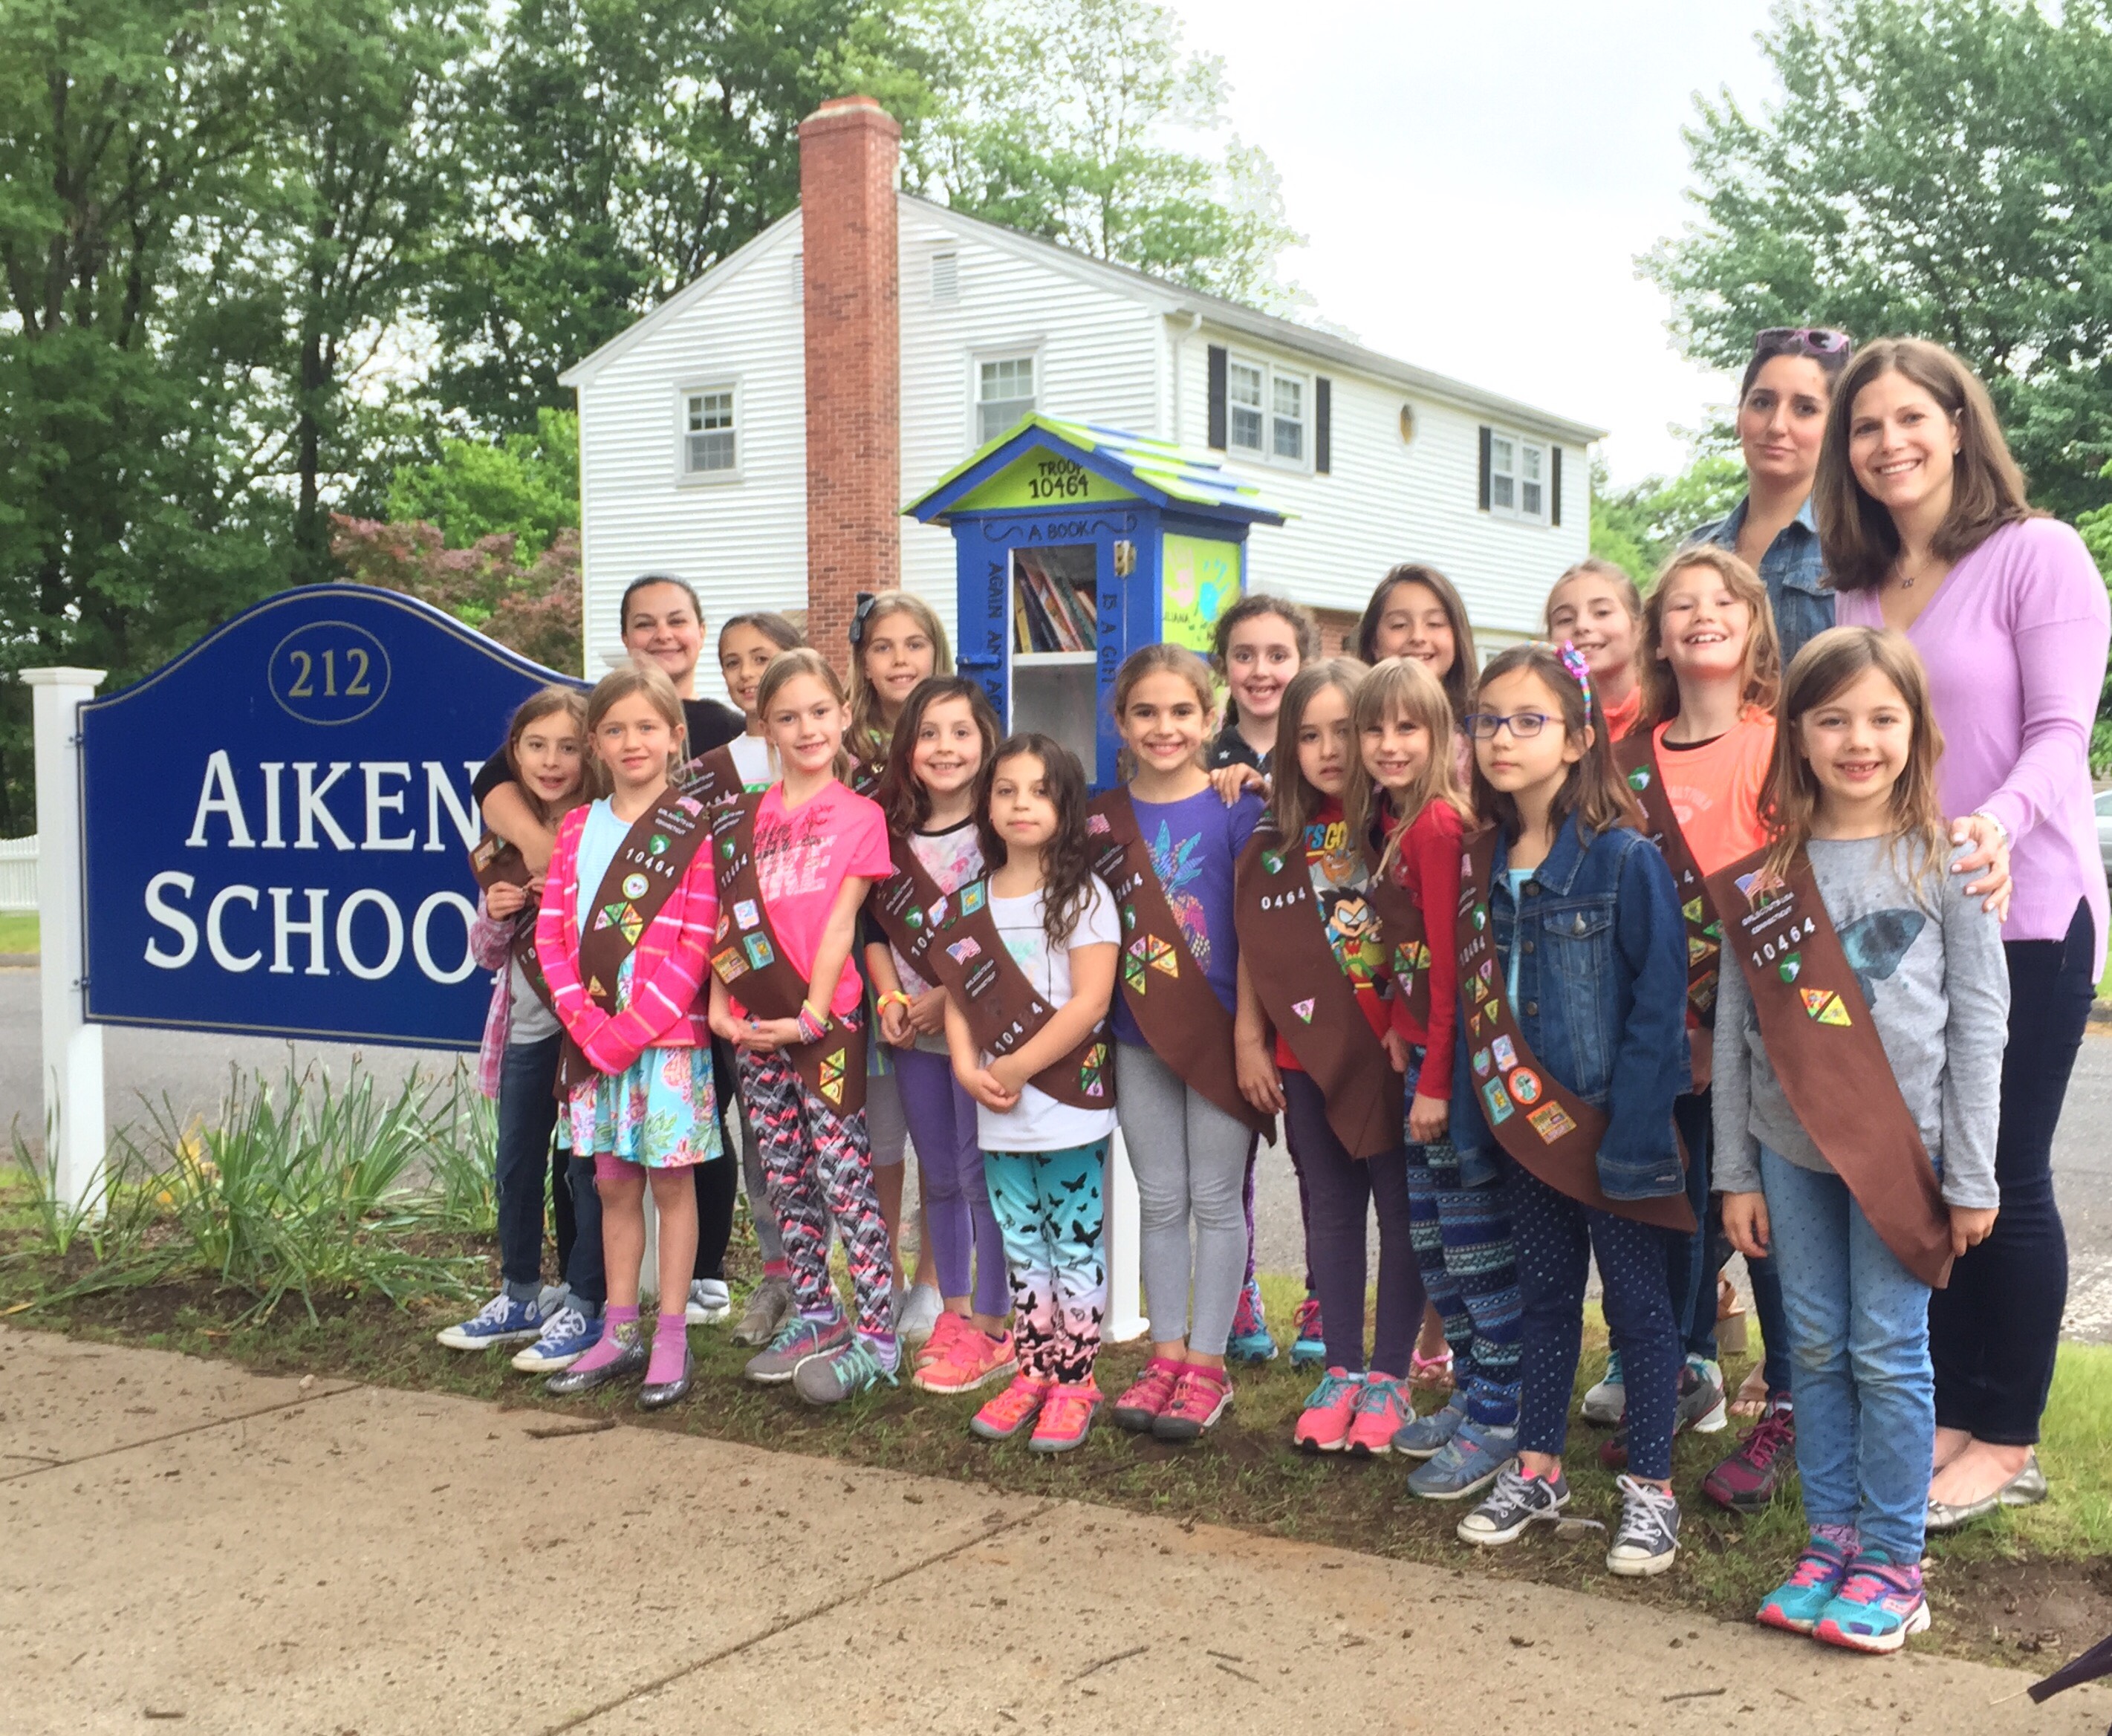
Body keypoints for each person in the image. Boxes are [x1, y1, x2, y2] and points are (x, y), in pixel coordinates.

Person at [1816, 337, 2102, 1524]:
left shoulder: (2036, 555)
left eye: (1906, 419)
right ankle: (1954, 1406)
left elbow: (2058, 731)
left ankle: (2008, 1433)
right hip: (1904, 927)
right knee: (1931, 1171)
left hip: (2021, 905)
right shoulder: (1856, 587)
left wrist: (1992, 823)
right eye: (1863, 428)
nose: (1886, 443)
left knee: (2009, 1169)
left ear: (1955, 423)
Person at [1717, 626, 2006, 1651]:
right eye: (1831, 718)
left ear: (1915, 733)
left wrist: (1970, 1175)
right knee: (1817, 1349)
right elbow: (1735, 1036)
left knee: (1886, 1352)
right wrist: (1733, 1170)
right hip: (1789, 1157)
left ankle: (1891, 1560)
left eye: (1880, 718)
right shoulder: (1762, 878)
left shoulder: (1946, 863)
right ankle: (1826, 1541)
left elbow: (1978, 1026)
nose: (1856, 739)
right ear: (1794, 735)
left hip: (1902, 1161)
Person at [1449, 643, 1692, 1579]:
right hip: (1523, 1132)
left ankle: (1650, 1491)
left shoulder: (1623, 863)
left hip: (1607, 1129)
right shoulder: (1482, 861)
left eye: (1527, 721)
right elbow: (1478, 1005)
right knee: (1543, 1298)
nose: (1502, 739)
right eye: (1487, 721)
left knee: (1637, 1309)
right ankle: (1538, 1466)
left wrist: (1632, 1138)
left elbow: (1655, 1011)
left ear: (1578, 739)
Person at [475, 572, 745, 1333]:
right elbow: (496, 775)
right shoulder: (590, 753)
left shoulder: (723, 726)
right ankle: (596, 1301)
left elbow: (700, 927)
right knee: (598, 1167)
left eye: (677, 621)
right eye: (645, 623)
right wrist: (590, 1023)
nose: (662, 635)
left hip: (673, 1020)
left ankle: (693, 1284)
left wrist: (627, 1029)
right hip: (586, 1021)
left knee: (688, 1153)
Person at [1598, 545, 1790, 1487]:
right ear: (1657, 637)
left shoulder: (1780, 743)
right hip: (1655, 1040)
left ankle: (1789, 1396)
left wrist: (1727, 1025)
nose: (1701, 613)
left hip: (1759, 1038)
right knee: (1676, 1213)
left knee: (1759, 1216)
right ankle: (1673, 1374)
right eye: (1679, 604)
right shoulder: (1623, 764)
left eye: (1721, 600)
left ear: (1753, 622)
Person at [1234, 660, 1429, 1457]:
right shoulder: (1270, 836)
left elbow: (1430, 939)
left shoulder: (1401, 827)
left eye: (1342, 731)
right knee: (1331, 1212)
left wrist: (1411, 1024)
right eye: (1306, 735)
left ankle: (1390, 1375)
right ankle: (1342, 1369)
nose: (1325, 749)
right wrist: (1248, 1038)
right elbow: (1255, 946)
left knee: (1403, 1212)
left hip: (1387, 1055)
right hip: (1299, 1055)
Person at [1349, 657, 1523, 1499]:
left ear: (1439, 736)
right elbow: (1404, 956)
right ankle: (1469, 1389)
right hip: (1419, 1053)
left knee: (1470, 1239)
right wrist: (1392, 1025)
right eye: (1373, 728)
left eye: (1406, 728)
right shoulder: (1392, 823)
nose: (1388, 744)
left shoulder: (1437, 830)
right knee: (1429, 1240)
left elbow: (1456, 972)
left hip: (1450, 1074)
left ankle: (1502, 1406)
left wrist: (1434, 1080)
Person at [707, 647, 898, 1403]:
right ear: (765, 728)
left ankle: (879, 1336)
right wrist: (722, 1002)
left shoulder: (860, 816)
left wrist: (812, 1013)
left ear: (844, 715)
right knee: (786, 1178)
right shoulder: (741, 819)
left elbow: (840, 923)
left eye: (820, 711)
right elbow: (728, 919)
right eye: (787, 717)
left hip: (825, 1025)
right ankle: (816, 1313)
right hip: (753, 1026)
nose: (806, 727)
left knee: (843, 1178)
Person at [535, 661, 724, 1409]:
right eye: (614, 729)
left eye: (646, 726)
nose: (631, 740)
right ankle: (618, 1328)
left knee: (671, 1183)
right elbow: (552, 935)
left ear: (675, 737)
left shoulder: (695, 826)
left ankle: (671, 1332)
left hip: (667, 1044)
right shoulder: (578, 826)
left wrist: (631, 1031)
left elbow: (698, 943)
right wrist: (585, 1020)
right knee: (611, 1186)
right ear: (595, 745)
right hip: (591, 1044)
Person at [1094, 646, 1270, 1442]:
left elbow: (1261, 936)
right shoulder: (1099, 820)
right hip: (1134, 1036)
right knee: (1159, 1198)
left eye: (1179, 712)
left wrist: (1248, 1037)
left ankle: (1206, 1365)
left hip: (1221, 1034)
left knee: (1213, 1200)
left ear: (1211, 719)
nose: (1163, 727)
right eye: (1144, 712)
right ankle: (1163, 1357)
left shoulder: (1239, 811)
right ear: (1120, 722)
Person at [940, 736, 1121, 1453]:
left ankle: (1075, 1380)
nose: (1020, 804)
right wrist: (964, 1066)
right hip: (997, 1112)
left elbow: (1090, 1003)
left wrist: (1015, 1066)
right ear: (987, 804)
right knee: (1020, 1245)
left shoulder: (1082, 896)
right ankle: (1031, 1368)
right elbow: (957, 998)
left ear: (1066, 806)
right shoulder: (969, 901)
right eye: (1006, 790)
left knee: (1073, 1246)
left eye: (1039, 791)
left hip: (1068, 1107)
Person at [440, 687, 602, 1371]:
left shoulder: (603, 826)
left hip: (590, 1031)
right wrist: (499, 913)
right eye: (536, 746)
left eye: (568, 746)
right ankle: (519, 1293)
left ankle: (588, 1301)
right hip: (528, 1028)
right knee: (516, 1163)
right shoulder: (502, 841)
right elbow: (484, 952)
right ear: (515, 754)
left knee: (588, 1169)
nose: (552, 760)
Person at [865, 677, 1017, 1397]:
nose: (944, 747)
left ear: (986, 740)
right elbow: (869, 927)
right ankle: (954, 1317)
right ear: (907, 747)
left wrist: (943, 996)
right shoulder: (886, 831)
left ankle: (996, 1321)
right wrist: (890, 996)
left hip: (984, 1032)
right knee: (941, 1178)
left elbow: (1013, 931)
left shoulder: (1002, 827)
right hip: (912, 1034)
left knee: (983, 1174)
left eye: (960, 731)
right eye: (928, 733)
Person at [1203, 593, 1322, 1365]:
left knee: (1318, 1155)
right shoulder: (1196, 753)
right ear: (1223, 666)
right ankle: (1239, 1291)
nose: (1260, 670)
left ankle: (1321, 1298)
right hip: (1223, 975)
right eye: (1243, 655)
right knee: (1232, 1150)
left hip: (1312, 979)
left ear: (1302, 662)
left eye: (1277, 655)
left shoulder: (1322, 748)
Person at [845, 591, 955, 1348]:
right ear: (862, 660)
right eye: (883, 646)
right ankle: (877, 1270)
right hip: (864, 967)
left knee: (943, 1145)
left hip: (950, 982)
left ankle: (936, 1279)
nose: (900, 660)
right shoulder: (845, 751)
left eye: (914, 644)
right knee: (881, 1134)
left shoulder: (961, 740)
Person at [706, 610, 809, 1351]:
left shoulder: (823, 755)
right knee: (764, 1141)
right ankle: (777, 1275)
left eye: (762, 658)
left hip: (822, 982)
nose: (747, 673)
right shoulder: (705, 772)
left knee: (830, 1140)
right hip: (742, 988)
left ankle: (823, 1282)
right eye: (734, 662)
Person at [1687, 327, 1856, 669]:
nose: (1777, 425)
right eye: (1762, 402)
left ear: (1837, 427)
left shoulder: (1857, 545)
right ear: (1739, 416)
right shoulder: (1696, 551)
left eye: (1805, 409)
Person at [1356, 564, 1479, 729]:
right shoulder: (1351, 723)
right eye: (1399, 625)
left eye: (1435, 623)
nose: (1418, 637)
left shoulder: (1482, 728)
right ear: (1373, 643)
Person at [1544, 560, 1645, 744]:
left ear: (1639, 628)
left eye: (1602, 612)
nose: (1582, 626)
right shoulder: (1544, 727)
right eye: (1565, 619)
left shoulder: (1670, 716)